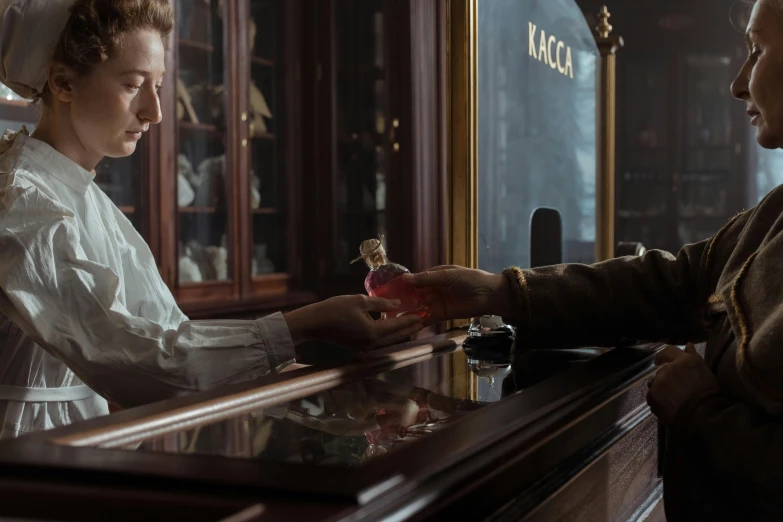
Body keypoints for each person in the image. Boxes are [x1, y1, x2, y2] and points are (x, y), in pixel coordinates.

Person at [404, 0, 783, 520]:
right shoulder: (774, 214)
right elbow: (675, 281)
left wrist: (701, 413)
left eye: (757, 50)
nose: (739, 83)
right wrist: (500, 291)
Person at [0, 0, 422, 440]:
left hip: (82, 444)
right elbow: (135, 361)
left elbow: (173, 339)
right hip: (27, 456)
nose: (155, 111)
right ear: (63, 82)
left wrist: (336, 404)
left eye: (159, 85)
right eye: (132, 84)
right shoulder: (24, 201)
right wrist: (305, 325)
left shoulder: (85, 199)